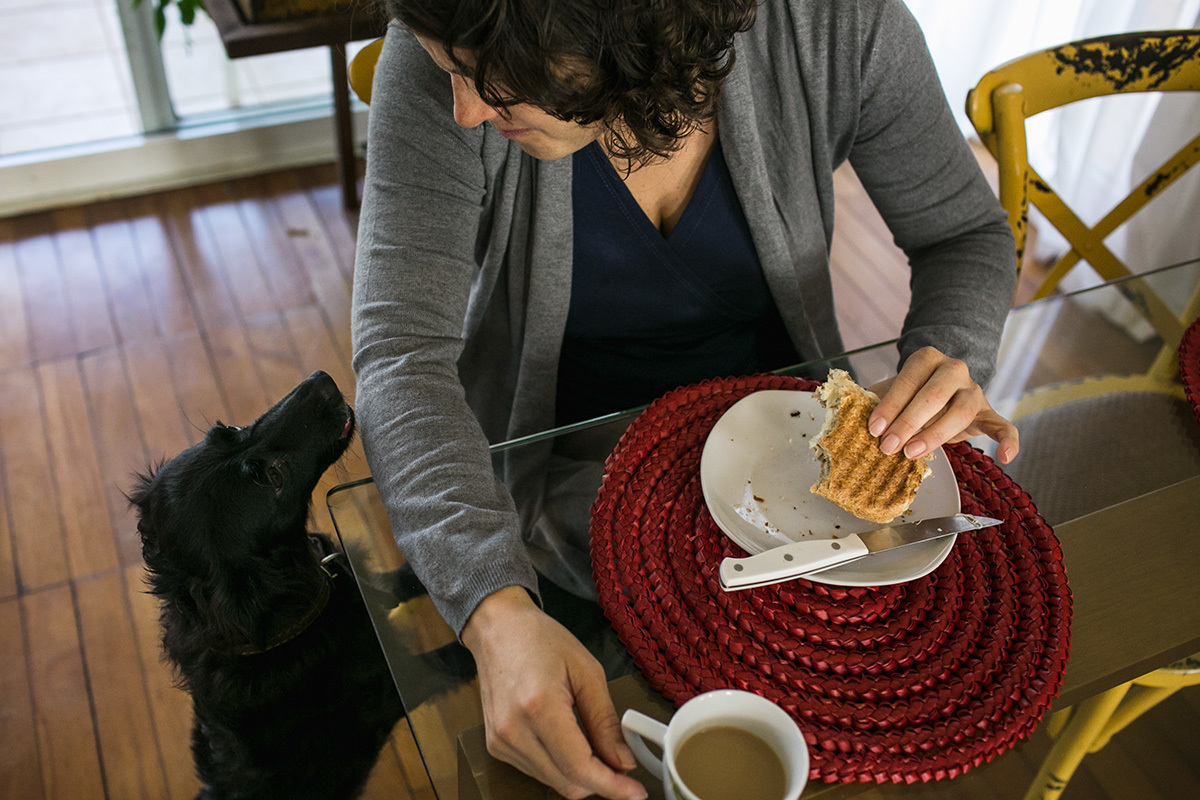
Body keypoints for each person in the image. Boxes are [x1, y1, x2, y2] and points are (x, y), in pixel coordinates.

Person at [352, 1, 1021, 798]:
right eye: (451, 69)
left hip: (798, 490)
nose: (464, 107)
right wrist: (494, 613)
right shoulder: (438, 57)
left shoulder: (839, 24)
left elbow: (964, 234)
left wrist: (947, 356)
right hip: (562, 501)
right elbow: (400, 355)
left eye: (495, 75)